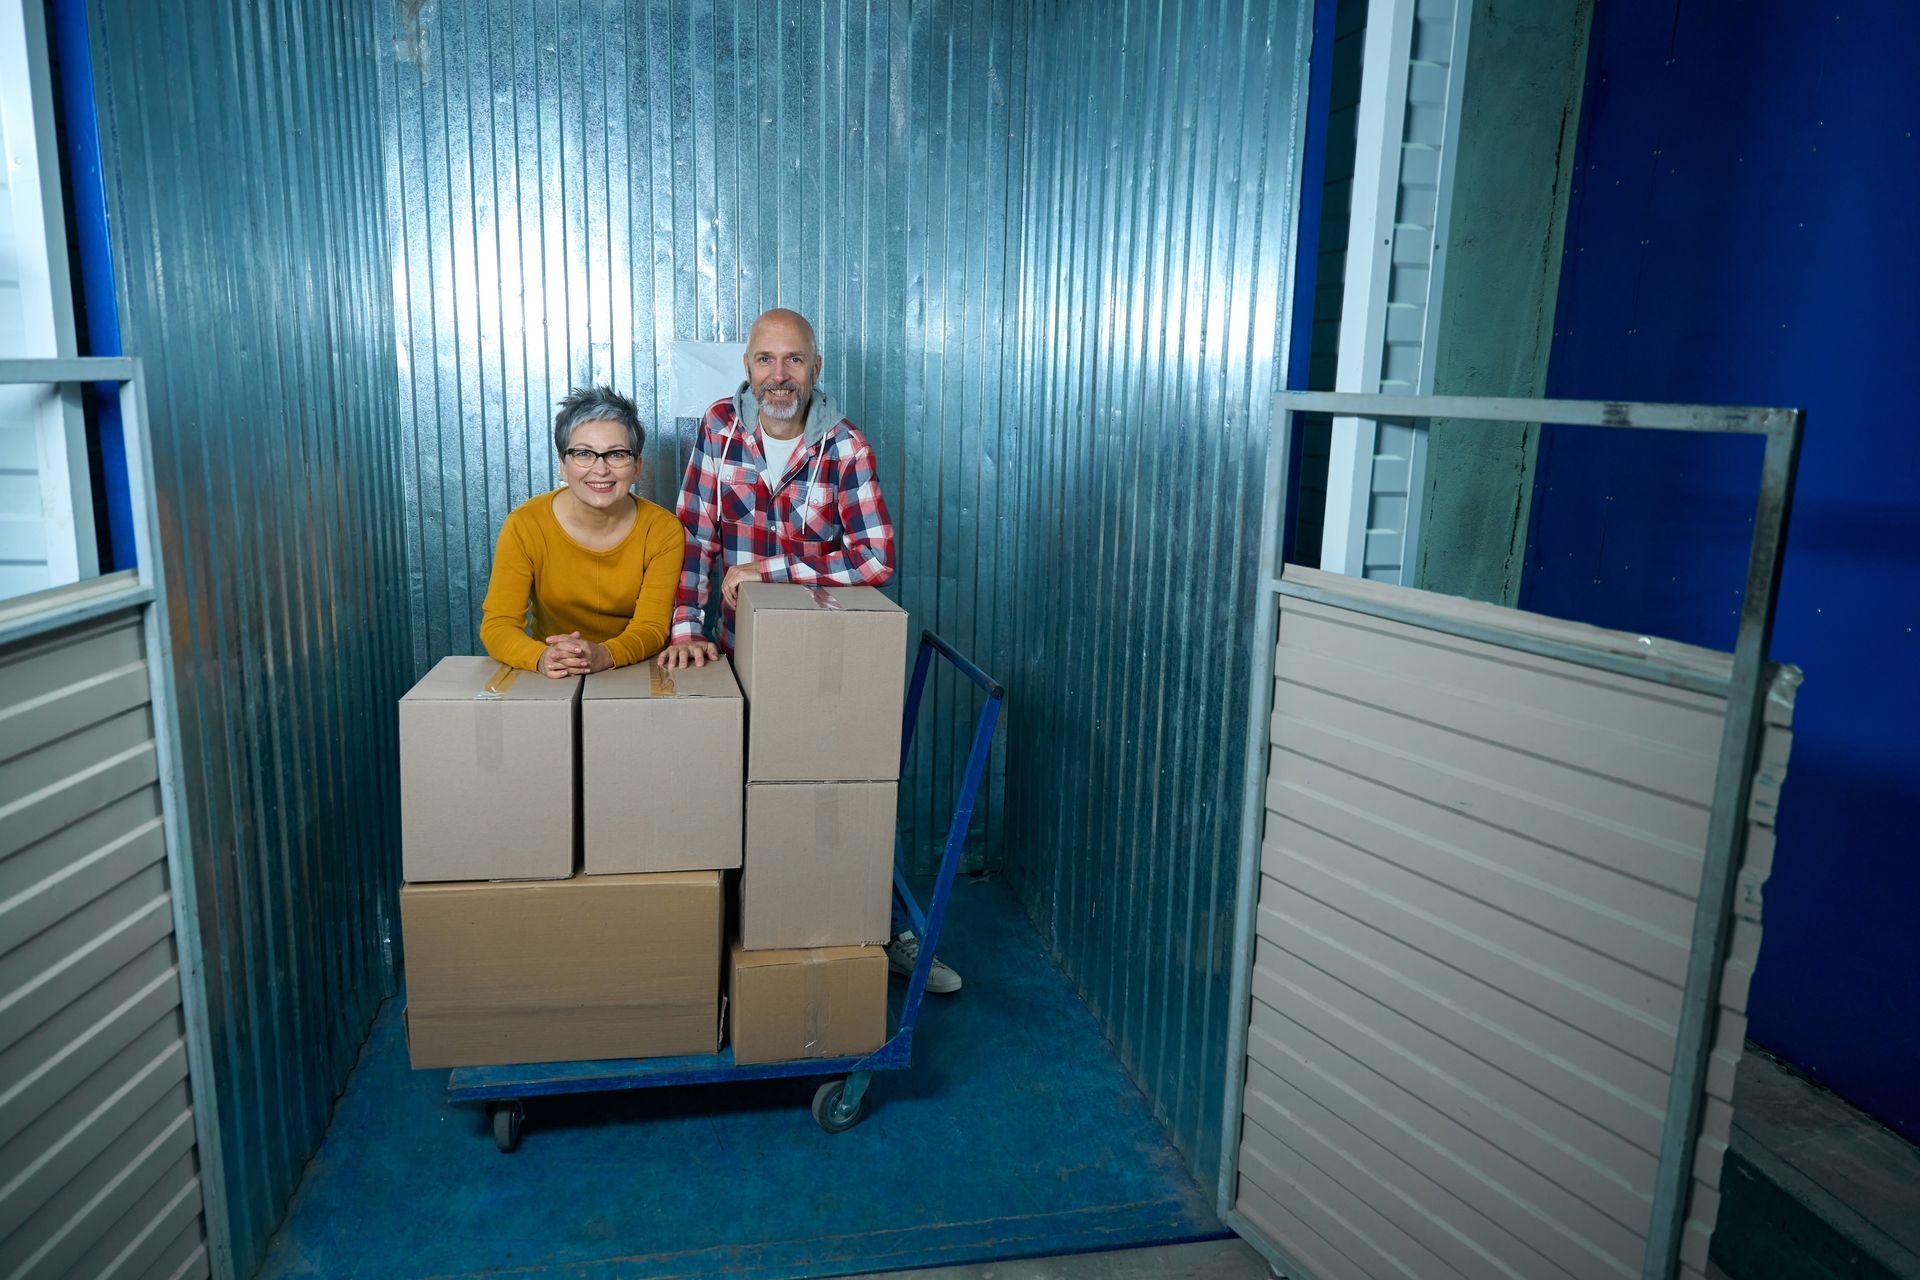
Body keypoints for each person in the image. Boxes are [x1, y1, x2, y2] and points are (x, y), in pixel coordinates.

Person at [657, 308, 960, 994]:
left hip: (824, 666)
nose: (779, 375)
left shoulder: (845, 446)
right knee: (738, 792)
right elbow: (694, 540)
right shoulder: (718, 429)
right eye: (766, 359)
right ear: (748, 368)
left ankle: (883, 934)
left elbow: (877, 558)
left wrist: (773, 570)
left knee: (850, 792)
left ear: (816, 370)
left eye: (794, 360)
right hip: (734, 654)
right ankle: (741, 937)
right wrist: (685, 628)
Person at [480, 386, 684, 676]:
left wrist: (605, 654)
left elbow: (651, 627)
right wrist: (542, 657)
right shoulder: (525, 524)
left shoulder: (663, 531)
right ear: (563, 465)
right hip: (552, 674)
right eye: (584, 453)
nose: (600, 470)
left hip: (632, 671)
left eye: (616, 454)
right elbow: (498, 624)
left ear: (637, 467)